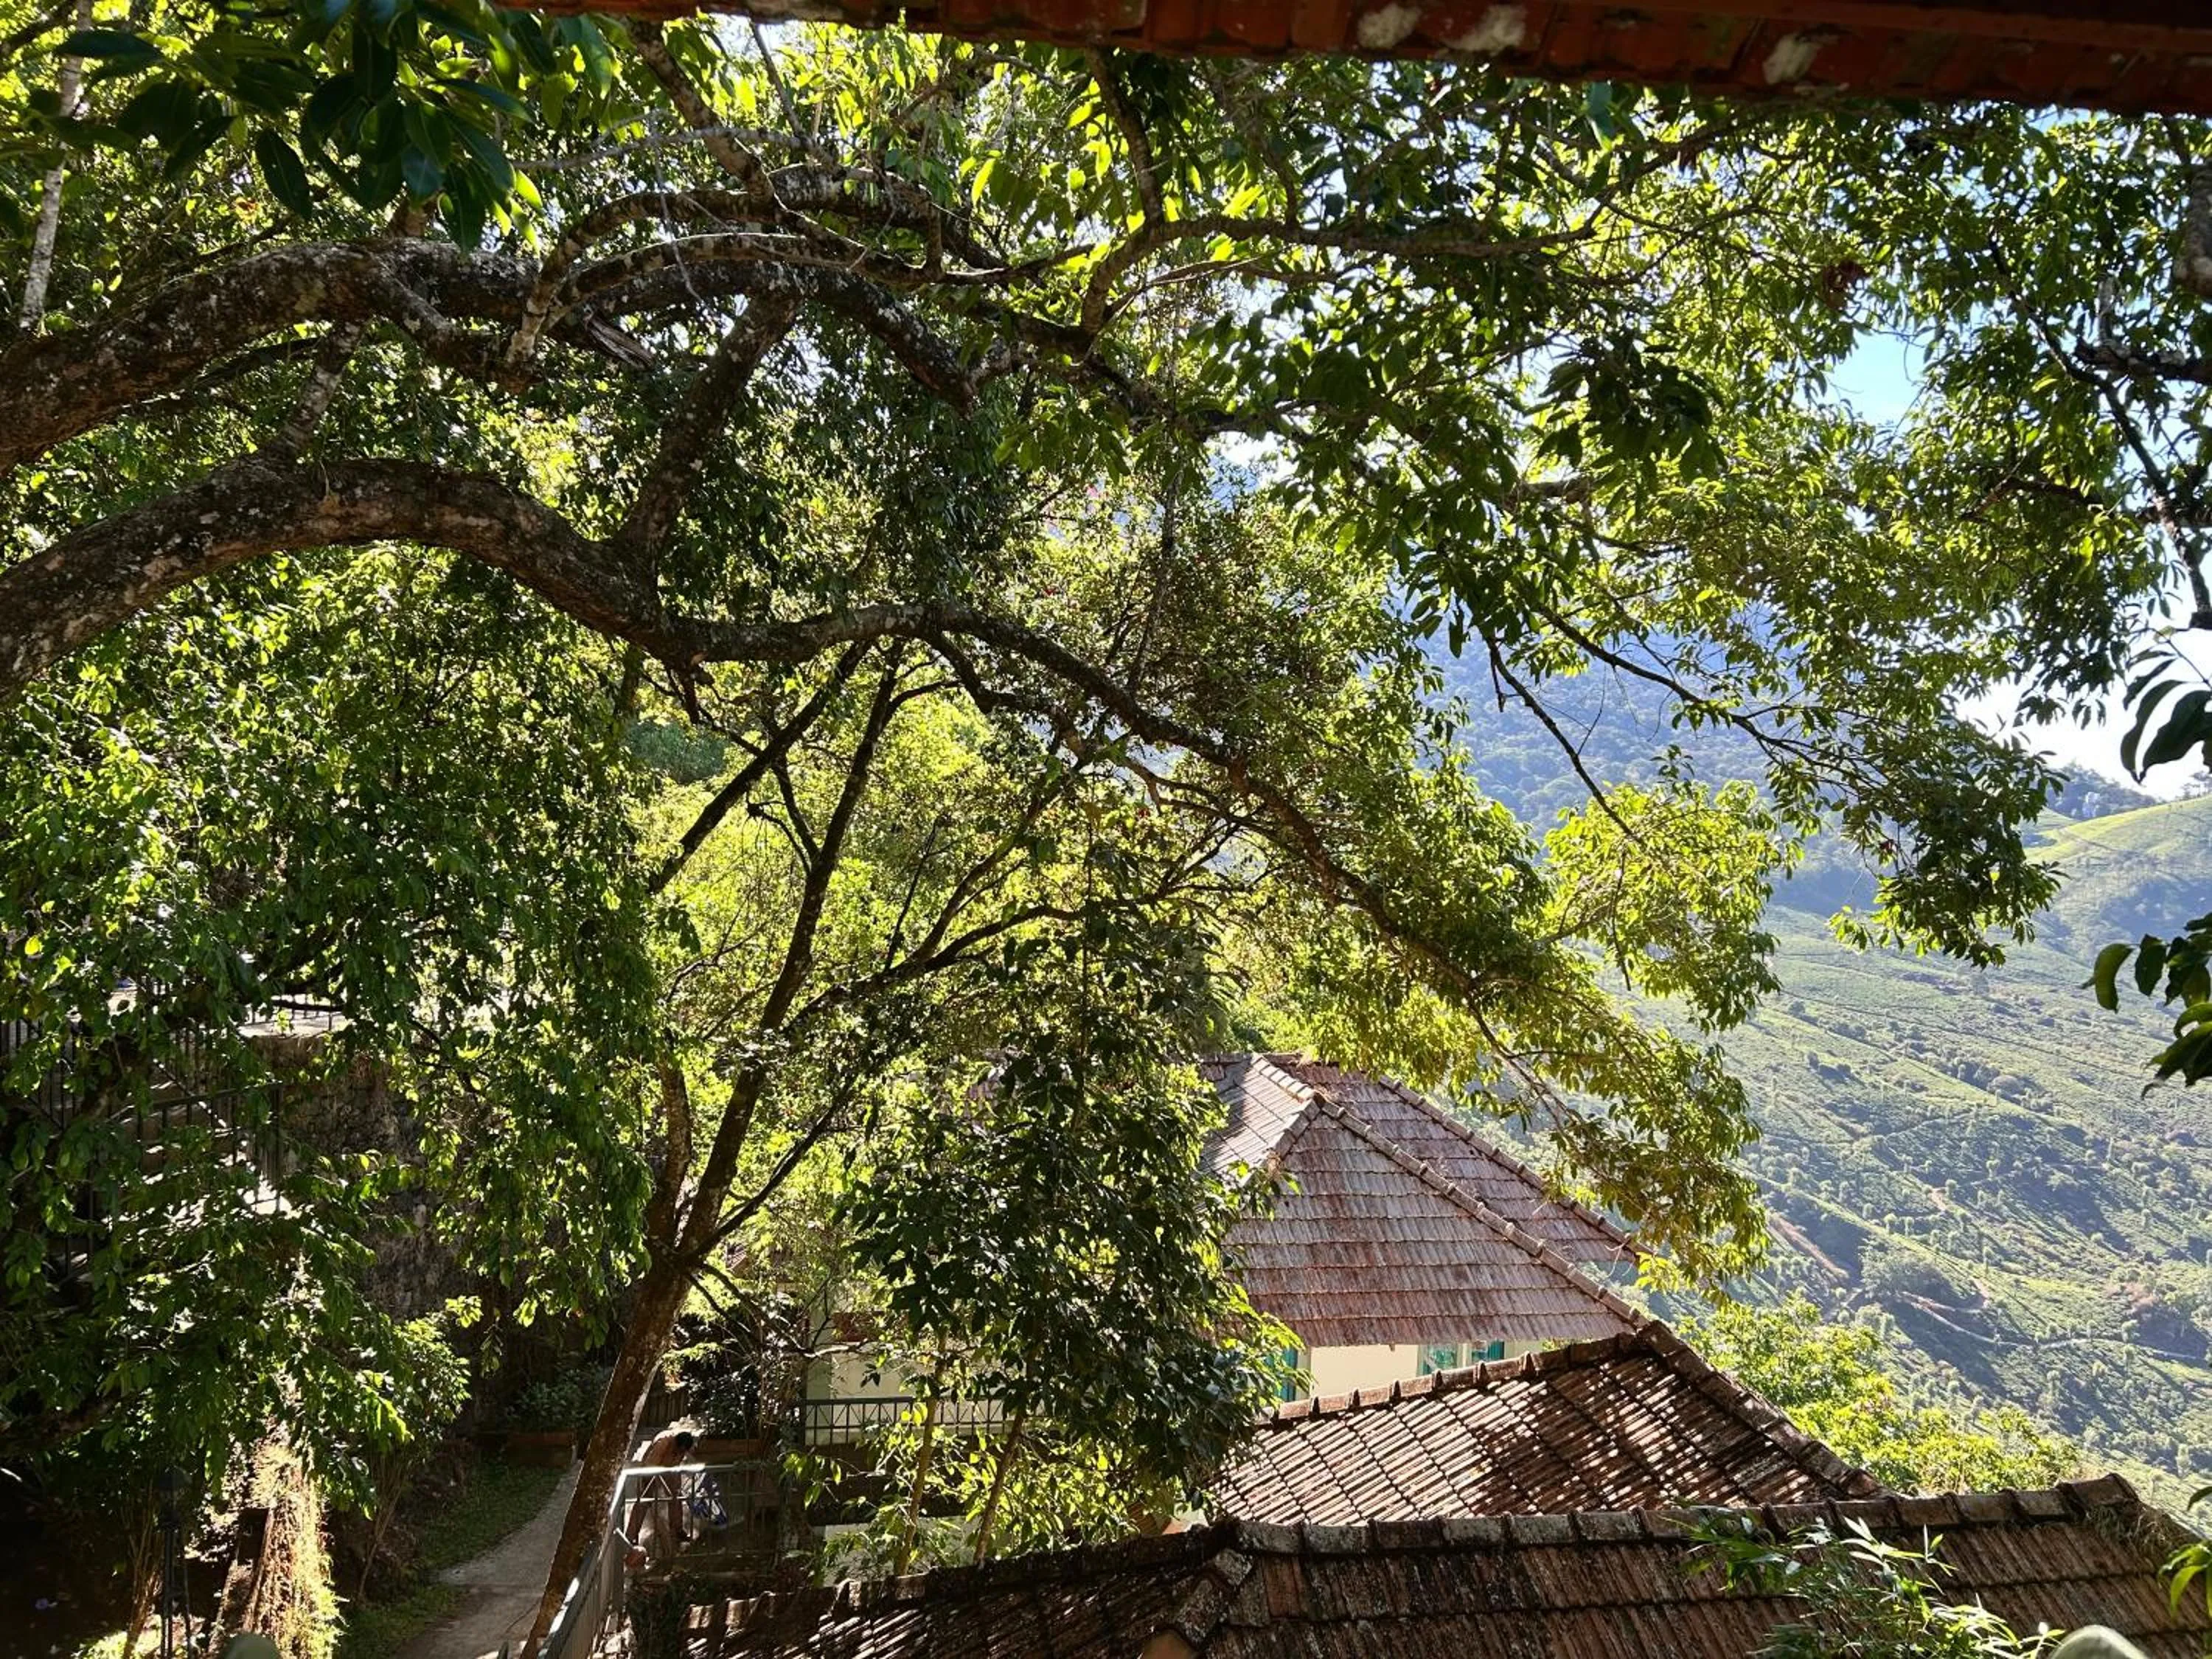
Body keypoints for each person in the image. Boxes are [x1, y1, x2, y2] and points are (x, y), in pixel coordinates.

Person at [624, 1428, 695, 1569]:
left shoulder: (682, 1447)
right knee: (644, 1502)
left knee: (676, 1497)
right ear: (676, 1444)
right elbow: (651, 1466)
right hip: (650, 1471)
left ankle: (677, 1530)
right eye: (680, 1451)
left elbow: (677, 1463)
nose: (682, 1454)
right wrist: (655, 1486)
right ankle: (631, 1536)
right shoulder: (663, 1443)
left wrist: (672, 1488)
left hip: (669, 1469)